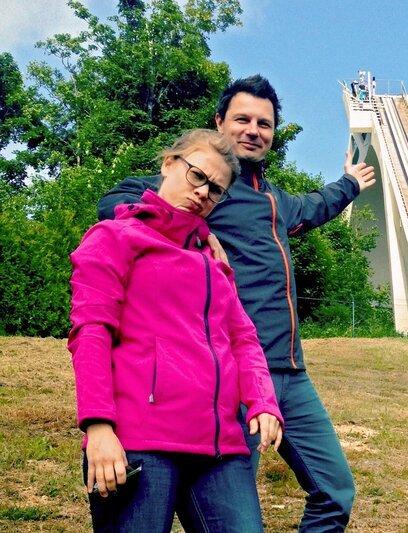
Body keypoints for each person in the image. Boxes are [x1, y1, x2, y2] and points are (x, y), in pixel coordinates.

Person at [98, 76, 377, 531]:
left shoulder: (277, 201)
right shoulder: (203, 186)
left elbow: (317, 205)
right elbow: (118, 202)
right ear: (219, 122)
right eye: (242, 119)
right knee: (229, 516)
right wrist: (200, 231)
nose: (253, 130)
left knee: (335, 491)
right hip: (235, 378)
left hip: (292, 376)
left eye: (264, 124)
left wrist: (349, 183)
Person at [70, 129, 284, 532]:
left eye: (217, 190)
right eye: (198, 176)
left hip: (222, 449)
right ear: (169, 164)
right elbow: (91, 331)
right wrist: (97, 428)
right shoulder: (114, 237)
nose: (204, 193)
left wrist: (263, 401)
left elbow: (243, 339)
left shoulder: (216, 262)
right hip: (141, 442)